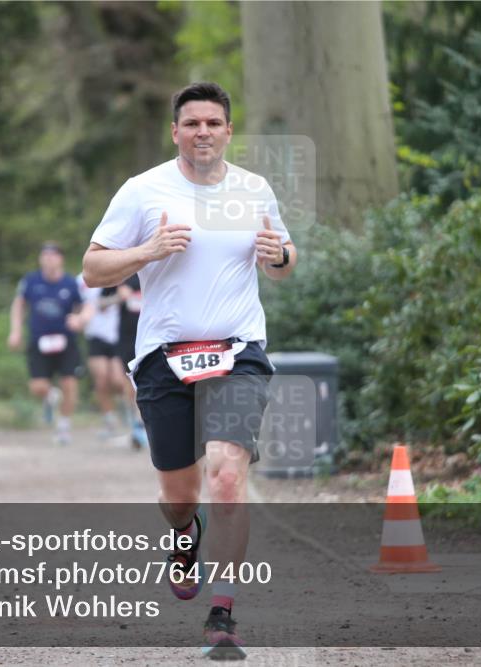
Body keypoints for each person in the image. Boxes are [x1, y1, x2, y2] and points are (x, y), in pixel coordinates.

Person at [82, 82, 296, 659]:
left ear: (229, 131)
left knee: (227, 477)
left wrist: (278, 256)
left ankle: (222, 612)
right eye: (192, 123)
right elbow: (93, 269)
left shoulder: (254, 188)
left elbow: (283, 261)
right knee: (180, 496)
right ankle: (183, 535)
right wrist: (146, 252)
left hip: (238, 350)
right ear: (175, 131)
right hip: (163, 357)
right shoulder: (143, 191)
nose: (203, 131)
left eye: (214, 123)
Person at [7, 242, 86, 445]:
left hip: (66, 341)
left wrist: (80, 319)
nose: (48, 259)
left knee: (69, 383)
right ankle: (51, 397)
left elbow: (86, 307)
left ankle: (64, 427)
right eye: (45, 255)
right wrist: (15, 331)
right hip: (39, 341)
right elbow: (19, 305)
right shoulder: (31, 281)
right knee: (37, 387)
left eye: (53, 255)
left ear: (61, 259)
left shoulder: (70, 283)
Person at [76, 274, 126, 438]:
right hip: (95, 335)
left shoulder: (121, 275)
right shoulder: (81, 280)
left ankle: (126, 410)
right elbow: (84, 305)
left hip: (117, 335)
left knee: (119, 381)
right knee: (101, 379)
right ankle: (109, 420)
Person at [116, 273, 148, 450]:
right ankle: (137, 425)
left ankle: (141, 425)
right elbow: (103, 301)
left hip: (153, 336)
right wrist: (119, 294)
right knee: (129, 384)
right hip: (128, 337)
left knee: (147, 381)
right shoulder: (125, 271)